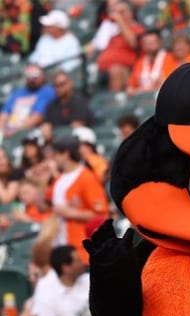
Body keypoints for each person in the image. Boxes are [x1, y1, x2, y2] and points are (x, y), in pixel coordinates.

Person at [46, 136, 110, 265]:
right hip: (60, 245)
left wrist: (69, 212)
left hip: (80, 249)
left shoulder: (86, 177)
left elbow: (101, 215)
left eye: (56, 154)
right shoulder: (59, 179)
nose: (53, 158)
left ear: (66, 154)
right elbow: (47, 204)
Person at [84, 0, 145, 92]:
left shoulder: (137, 28)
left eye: (122, 12)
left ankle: (115, 102)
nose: (118, 15)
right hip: (102, 69)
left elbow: (133, 43)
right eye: (117, 13)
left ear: (131, 14)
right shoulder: (113, 31)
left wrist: (120, 20)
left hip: (126, 68)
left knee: (116, 69)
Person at [0, 64, 56, 139]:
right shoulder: (17, 93)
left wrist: (15, 131)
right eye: (29, 75)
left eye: (35, 75)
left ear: (43, 76)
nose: (32, 79)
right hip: (8, 131)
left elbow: (37, 117)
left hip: (28, 133)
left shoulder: (47, 92)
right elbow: (4, 115)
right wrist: (2, 130)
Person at [42, 70, 95, 142]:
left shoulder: (79, 102)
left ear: (70, 83)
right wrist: (46, 129)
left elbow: (77, 126)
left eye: (62, 84)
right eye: (56, 85)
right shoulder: (51, 105)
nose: (58, 88)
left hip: (78, 141)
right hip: (57, 141)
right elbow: (47, 124)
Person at [127, 29, 177, 96]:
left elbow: (168, 86)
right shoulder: (139, 62)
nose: (149, 45)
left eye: (152, 42)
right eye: (146, 43)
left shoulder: (170, 58)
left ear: (160, 42)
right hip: (142, 101)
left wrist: (141, 90)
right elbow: (130, 89)